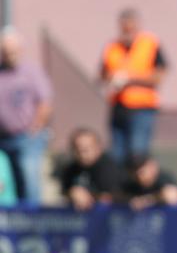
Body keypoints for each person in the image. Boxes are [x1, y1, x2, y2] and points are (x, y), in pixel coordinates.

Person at [100, 8, 168, 162]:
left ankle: (136, 186)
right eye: (124, 28)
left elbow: (159, 76)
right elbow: (102, 74)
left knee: (137, 153)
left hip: (142, 107)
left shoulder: (150, 44)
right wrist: (112, 78)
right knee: (117, 153)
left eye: (131, 28)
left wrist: (129, 79)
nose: (127, 32)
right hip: (118, 106)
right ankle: (119, 186)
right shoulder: (112, 47)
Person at [0, 27, 53, 204]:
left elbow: (45, 101)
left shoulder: (31, 71)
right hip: (4, 138)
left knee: (29, 182)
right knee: (9, 183)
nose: (9, 55)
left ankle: (32, 223)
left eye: (12, 51)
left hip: (27, 137)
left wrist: (35, 128)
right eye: (5, 51)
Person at [57, 128, 121, 211]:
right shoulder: (70, 169)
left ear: (98, 147)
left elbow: (112, 197)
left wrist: (86, 196)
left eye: (86, 149)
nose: (82, 154)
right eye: (77, 149)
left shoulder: (109, 167)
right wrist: (71, 193)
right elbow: (64, 191)